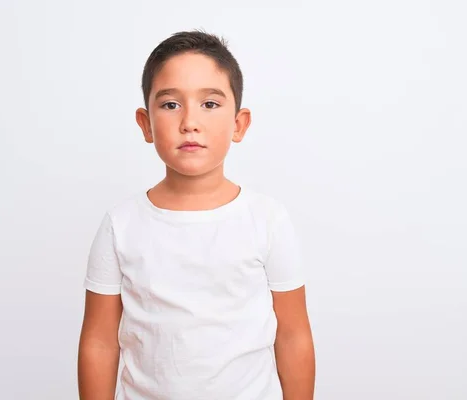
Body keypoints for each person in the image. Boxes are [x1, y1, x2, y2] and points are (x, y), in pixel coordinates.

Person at [77, 30, 315, 400]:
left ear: (239, 124)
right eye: (171, 104)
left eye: (210, 104)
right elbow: (99, 341)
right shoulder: (120, 225)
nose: (190, 121)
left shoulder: (267, 219)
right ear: (145, 123)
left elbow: (293, 334)